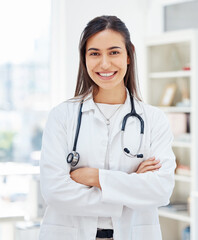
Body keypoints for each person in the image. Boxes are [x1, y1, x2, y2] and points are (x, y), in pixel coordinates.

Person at [39, 15, 176, 240]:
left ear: (129, 55)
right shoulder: (62, 116)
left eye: (114, 52)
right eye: (94, 53)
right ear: (84, 58)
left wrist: (95, 177)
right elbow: (54, 192)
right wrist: (130, 188)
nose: (104, 64)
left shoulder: (154, 119)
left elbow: (161, 190)